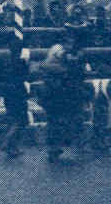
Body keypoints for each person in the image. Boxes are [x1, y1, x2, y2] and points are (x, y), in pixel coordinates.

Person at [38, 35, 89, 163]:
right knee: (58, 120)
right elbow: (48, 65)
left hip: (66, 90)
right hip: (58, 91)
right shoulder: (58, 51)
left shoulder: (68, 52)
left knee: (68, 118)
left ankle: (61, 147)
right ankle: (56, 148)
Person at [0, 52, 33, 159]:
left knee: (12, 120)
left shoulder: (5, 63)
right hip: (19, 97)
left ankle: (12, 148)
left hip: (8, 97)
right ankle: (7, 142)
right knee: (20, 121)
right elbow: (28, 78)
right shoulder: (21, 65)